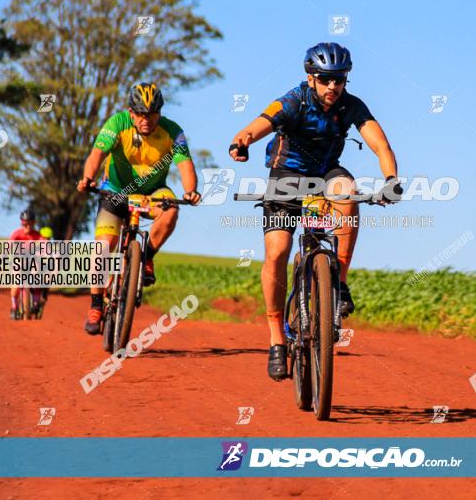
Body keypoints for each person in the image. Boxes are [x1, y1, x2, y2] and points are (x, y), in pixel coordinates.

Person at [228, 42, 403, 380]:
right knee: (277, 252)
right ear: (311, 79)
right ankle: (277, 338)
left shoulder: (351, 106)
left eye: (339, 80)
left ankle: (338, 283)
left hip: (326, 174)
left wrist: (391, 179)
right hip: (286, 177)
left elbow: (380, 144)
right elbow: (259, 123)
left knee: (348, 193)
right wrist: (242, 141)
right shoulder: (293, 100)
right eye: (325, 80)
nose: (333, 87)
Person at [76, 82, 201, 335]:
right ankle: (96, 305)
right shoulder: (117, 123)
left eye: (152, 113)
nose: (146, 119)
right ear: (131, 113)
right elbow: (97, 154)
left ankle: (147, 258)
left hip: (152, 193)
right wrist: (88, 177)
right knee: (102, 248)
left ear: (160, 112)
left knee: (171, 210)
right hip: (115, 190)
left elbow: (185, 164)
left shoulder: (172, 131)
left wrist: (191, 190)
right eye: (141, 114)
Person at [9, 209, 41, 318]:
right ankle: (14, 307)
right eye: (25, 224)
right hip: (19, 261)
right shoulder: (17, 234)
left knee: (37, 275)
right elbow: (8, 246)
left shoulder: (37, 235)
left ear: (34, 223)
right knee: (16, 285)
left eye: (30, 223)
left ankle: (36, 304)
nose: (28, 226)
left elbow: (45, 246)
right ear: (22, 223)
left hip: (32, 261)